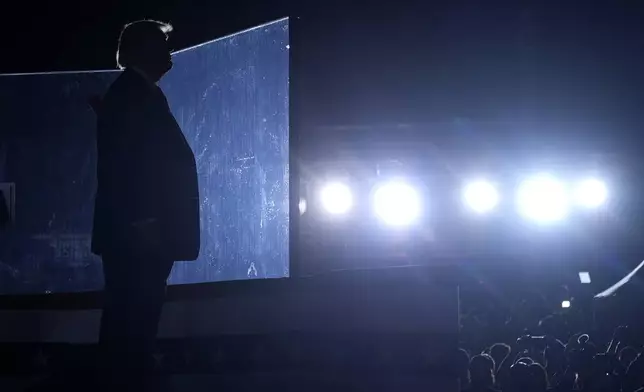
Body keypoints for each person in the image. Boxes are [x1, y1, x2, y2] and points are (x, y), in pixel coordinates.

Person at [91, 19, 200, 388]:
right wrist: (145, 222)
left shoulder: (137, 93)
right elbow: (126, 166)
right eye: (162, 45)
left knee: (135, 317)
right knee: (132, 318)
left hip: (143, 232)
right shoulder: (131, 96)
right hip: (138, 234)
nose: (169, 54)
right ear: (142, 50)